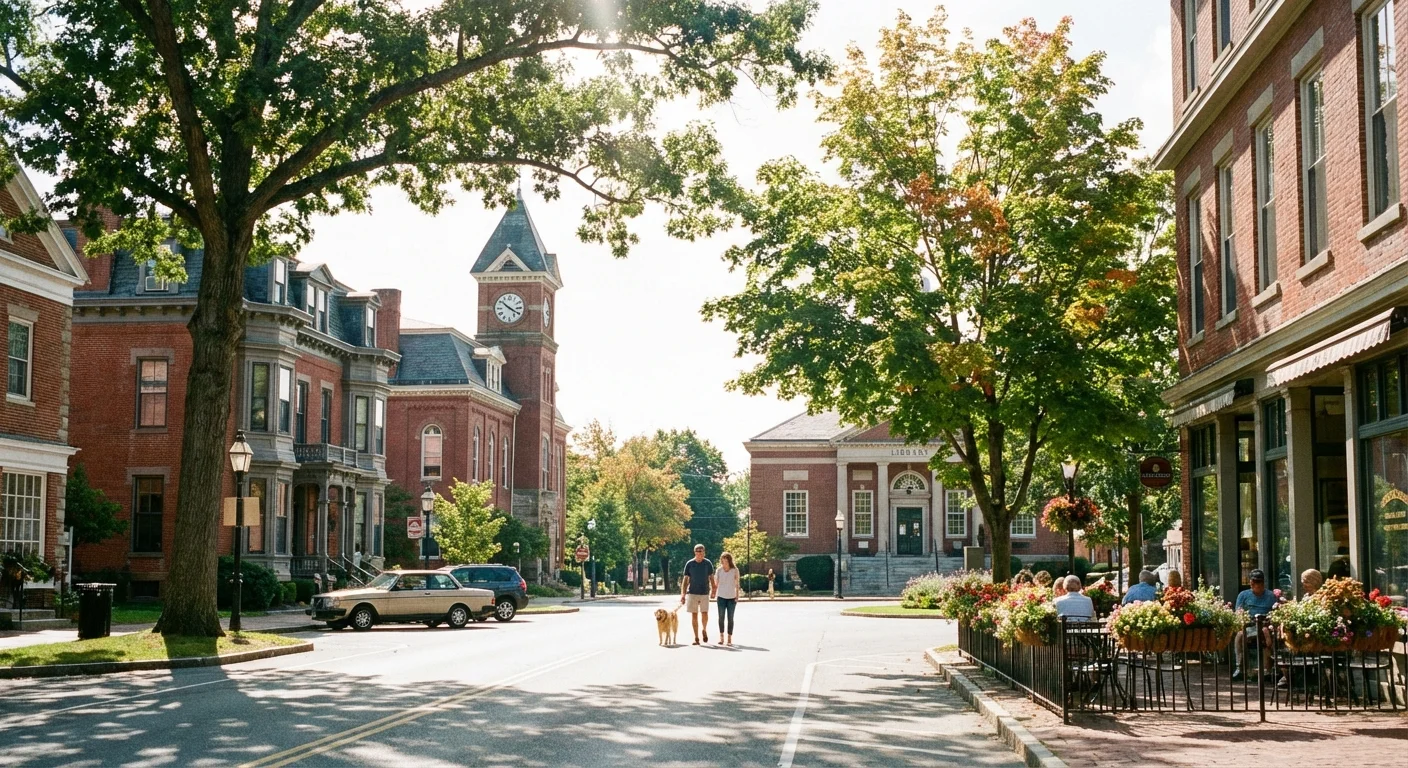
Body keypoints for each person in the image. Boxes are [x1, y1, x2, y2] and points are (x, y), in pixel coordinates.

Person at [1233, 569, 1278, 681]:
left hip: (1265, 626)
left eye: (1259, 583)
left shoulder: (1271, 596)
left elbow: (1275, 613)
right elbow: (1238, 613)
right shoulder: (1243, 595)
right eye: (1254, 583)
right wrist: (1243, 619)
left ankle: (1268, 670)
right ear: (1250, 583)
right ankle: (1240, 668)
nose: (1257, 585)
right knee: (1239, 636)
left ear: (1263, 583)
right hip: (1249, 626)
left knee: (1268, 636)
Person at [680, 544, 717, 645]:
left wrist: (714, 590)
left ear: (704, 552)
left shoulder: (707, 563)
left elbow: (711, 577)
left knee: (704, 613)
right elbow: (685, 580)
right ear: (694, 552)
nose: (699, 553)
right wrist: (683, 594)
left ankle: (704, 629)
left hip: (704, 592)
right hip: (692, 592)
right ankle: (696, 637)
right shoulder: (690, 564)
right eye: (697, 551)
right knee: (694, 615)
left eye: (701, 551)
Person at [715, 551, 740, 646]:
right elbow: (716, 584)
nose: (724, 563)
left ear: (730, 561)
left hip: (731, 597)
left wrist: (737, 595)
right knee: (721, 617)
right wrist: (712, 593)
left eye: (726, 561)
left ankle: (729, 637)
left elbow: (737, 584)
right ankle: (721, 637)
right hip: (721, 596)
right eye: (723, 561)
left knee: (730, 618)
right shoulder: (719, 570)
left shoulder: (735, 570)